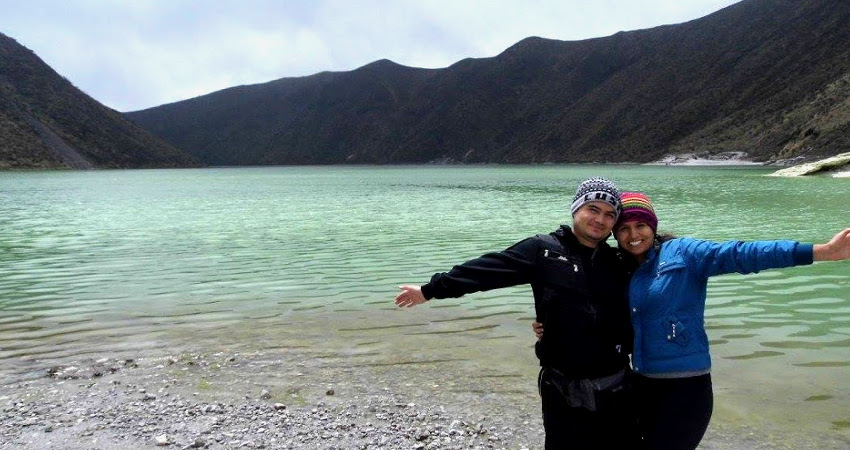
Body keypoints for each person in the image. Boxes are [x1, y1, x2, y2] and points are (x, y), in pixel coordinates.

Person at [394, 177, 639, 449]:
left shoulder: (618, 262)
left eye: (609, 214)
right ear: (576, 209)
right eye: (593, 209)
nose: (600, 219)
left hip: (616, 387)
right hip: (562, 388)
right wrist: (430, 289)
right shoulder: (543, 251)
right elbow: (486, 271)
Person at [611, 191, 850, 449]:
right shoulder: (618, 267)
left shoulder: (683, 253)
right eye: (623, 228)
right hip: (642, 384)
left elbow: (742, 254)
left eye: (640, 225)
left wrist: (819, 252)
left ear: (653, 225)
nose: (633, 235)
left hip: (686, 387)